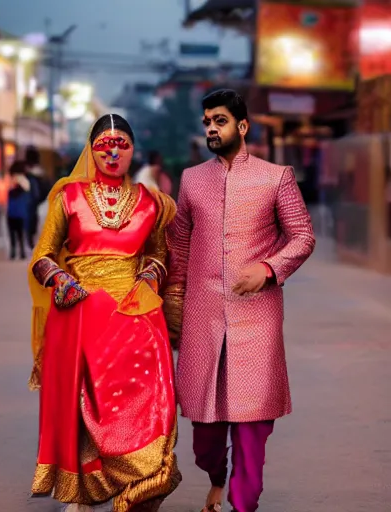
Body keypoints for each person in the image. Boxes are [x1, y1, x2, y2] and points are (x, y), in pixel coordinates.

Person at [164, 89, 315, 512]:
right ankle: (217, 477)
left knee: (252, 426)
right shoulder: (193, 179)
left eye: (220, 121)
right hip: (203, 315)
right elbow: (179, 247)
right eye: (207, 121)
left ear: (242, 126)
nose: (212, 128)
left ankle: (242, 502)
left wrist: (268, 269)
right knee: (205, 435)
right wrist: (171, 307)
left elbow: (302, 235)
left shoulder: (276, 176)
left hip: (257, 317)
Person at [27, 114, 181, 511]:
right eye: (103, 144)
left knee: (146, 399)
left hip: (134, 316)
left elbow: (160, 255)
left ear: (134, 151)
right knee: (81, 404)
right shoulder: (68, 197)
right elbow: (42, 257)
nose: (113, 152)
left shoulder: (152, 203)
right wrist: (61, 281)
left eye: (122, 144)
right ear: (90, 150)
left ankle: (141, 480)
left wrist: (149, 278)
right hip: (77, 312)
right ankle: (80, 493)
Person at [6, 160, 31, 260]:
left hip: (11, 210)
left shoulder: (10, 180)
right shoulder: (25, 180)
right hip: (21, 211)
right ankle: (22, 251)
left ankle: (13, 250)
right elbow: (27, 193)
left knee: (12, 232)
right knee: (21, 232)